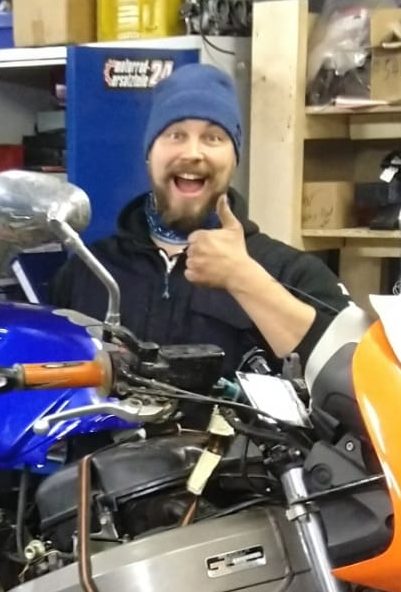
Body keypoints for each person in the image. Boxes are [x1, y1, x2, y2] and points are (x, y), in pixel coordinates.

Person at [50, 62, 348, 370]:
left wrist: (245, 279)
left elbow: (352, 372)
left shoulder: (292, 273)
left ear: (235, 159)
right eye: (176, 135)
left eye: (213, 137)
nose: (192, 152)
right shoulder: (87, 272)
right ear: (149, 154)